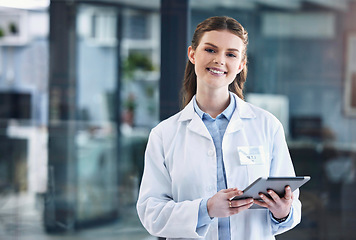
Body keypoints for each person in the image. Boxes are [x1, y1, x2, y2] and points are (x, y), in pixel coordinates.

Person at [136, 16, 301, 240]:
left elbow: (291, 203)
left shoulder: (267, 125)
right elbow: (151, 214)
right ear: (192, 54)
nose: (219, 60)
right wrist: (206, 209)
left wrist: (283, 212)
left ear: (241, 64)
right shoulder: (164, 134)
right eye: (211, 50)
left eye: (231, 54)